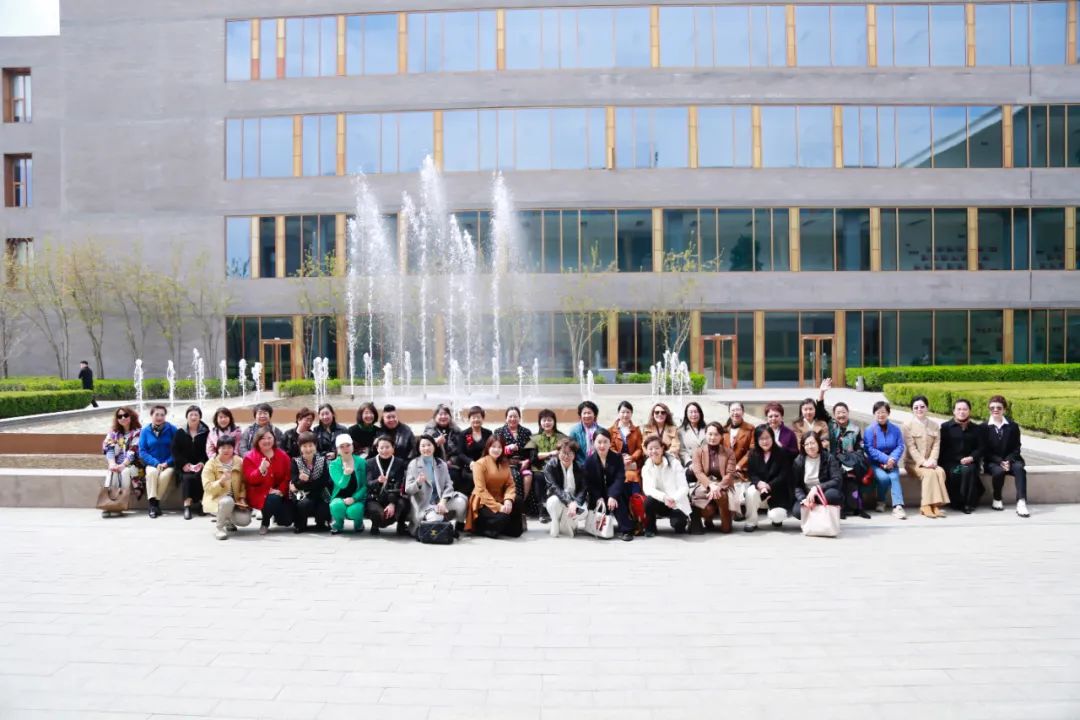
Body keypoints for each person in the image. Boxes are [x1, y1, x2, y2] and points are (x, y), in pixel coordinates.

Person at [814, 380, 870, 519]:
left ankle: (858, 508)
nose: (841, 415)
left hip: (849, 461)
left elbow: (860, 448)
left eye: (843, 412)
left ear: (848, 413)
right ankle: (840, 508)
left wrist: (852, 461)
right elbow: (820, 410)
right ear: (834, 415)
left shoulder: (855, 429)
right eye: (838, 413)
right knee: (837, 478)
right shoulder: (831, 425)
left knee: (852, 478)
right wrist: (822, 392)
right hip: (833, 461)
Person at [405, 434, 468, 535]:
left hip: (440, 502)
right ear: (418, 448)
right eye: (423, 446)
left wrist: (443, 502)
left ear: (434, 446)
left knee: (461, 502)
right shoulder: (413, 464)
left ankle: (458, 526)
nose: (426, 448)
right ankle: (438, 527)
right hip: (424, 505)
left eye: (429, 445)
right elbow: (408, 490)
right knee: (436, 518)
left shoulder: (441, 463)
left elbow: (448, 485)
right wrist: (418, 483)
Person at [902, 395, 950, 519]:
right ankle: (925, 505)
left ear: (927, 408)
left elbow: (936, 445)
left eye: (922, 406)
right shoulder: (907, 425)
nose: (919, 409)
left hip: (930, 461)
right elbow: (911, 448)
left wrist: (933, 460)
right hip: (913, 463)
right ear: (912, 410)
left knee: (940, 471)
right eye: (916, 407)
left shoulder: (934, 425)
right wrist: (923, 462)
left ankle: (935, 505)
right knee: (929, 474)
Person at [466, 435, 524, 539]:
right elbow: (481, 489)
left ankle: (502, 527)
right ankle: (480, 529)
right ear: (488, 447)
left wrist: (508, 499)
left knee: (517, 503)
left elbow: (510, 484)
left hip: (500, 497)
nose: (496, 450)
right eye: (493, 446)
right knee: (503, 517)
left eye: (499, 447)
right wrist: (499, 507)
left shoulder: (504, 463)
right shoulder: (479, 464)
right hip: (483, 502)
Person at [983, 395, 1029, 518]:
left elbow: (1017, 447)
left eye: (999, 408)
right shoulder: (983, 427)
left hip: (1012, 460)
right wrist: (1000, 461)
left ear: (1004, 409)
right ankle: (997, 498)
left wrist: (1008, 460)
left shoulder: (1013, 426)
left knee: (1020, 469)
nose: (995, 410)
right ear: (989, 409)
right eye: (992, 408)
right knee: (998, 471)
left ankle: (1021, 502)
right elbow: (984, 450)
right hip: (992, 461)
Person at [583, 428, 634, 542]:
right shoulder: (589, 461)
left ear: (610, 443)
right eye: (599, 442)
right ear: (594, 443)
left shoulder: (617, 458)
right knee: (600, 514)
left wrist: (612, 495)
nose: (602, 445)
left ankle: (626, 530)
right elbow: (589, 483)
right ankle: (598, 529)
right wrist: (598, 497)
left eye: (605, 442)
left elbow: (620, 478)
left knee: (617, 501)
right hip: (597, 494)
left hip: (613, 492)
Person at [242, 426, 294, 535]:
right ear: (257, 440)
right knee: (272, 499)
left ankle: (273, 513)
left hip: (279, 493)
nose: (267, 441)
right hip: (259, 493)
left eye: (269, 438)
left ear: (274, 439)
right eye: (263, 438)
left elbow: (288, 476)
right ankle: (265, 522)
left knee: (286, 521)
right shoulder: (249, 457)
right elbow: (250, 480)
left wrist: (281, 490)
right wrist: (260, 470)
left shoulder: (282, 455)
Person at [939, 398, 985, 514]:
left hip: (970, 461)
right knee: (956, 472)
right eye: (959, 409)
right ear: (954, 411)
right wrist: (959, 459)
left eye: (965, 409)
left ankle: (968, 503)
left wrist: (971, 457)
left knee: (968, 470)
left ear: (969, 411)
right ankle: (956, 502)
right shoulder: (946, 427)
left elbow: (981, 448)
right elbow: (943, 448)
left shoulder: (976, 428)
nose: (962, 412)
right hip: (951, 461)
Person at [745, 424, 795, 531]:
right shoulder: (753, 453)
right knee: (750, 492)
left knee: (777, 517)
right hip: (760, 489)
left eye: (767, 438)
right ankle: (751, 521)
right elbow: (751, 473)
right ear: (757, 440)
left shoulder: (781, 453)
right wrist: (759, 483)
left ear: (772, 437)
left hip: (777, 491)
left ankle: (774, 515)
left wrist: (768, 486)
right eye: (761, 438)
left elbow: (784, 474)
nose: (765, 441)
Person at [690, 421, 736, 534]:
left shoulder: (729, 452)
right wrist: (710, 485)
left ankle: (726, 524)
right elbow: (698, 472)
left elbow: (730, 474)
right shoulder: (698, 452)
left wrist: (718, 487)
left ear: (721, 436)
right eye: (710, 434)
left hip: (723, 485)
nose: (712, 437)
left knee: (722, 495)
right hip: (704, 485)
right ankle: (708, 519)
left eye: (716, 434)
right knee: (707, 509)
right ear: (705, 434)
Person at [201, 435, 250, 539]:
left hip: (235, 501)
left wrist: (242, 497)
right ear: (217, 448)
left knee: (245, 520)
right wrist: (221, 481)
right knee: (227, 501)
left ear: (233, 448)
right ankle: (219, 528)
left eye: (229, 447)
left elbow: (243, 482)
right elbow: (207, 488)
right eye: (223, 447)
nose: (226, 450)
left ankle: (228, 520)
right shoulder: (211, 464)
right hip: (217, 500)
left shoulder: (239, 461)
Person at [863, 401, 907, 519]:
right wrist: (886, 459)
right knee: (883, 478)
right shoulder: (869, 430)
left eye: (883, 412)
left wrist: (892, 459)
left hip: (892, 463)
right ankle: (881, 500)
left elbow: (900, 446)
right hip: (876, 463)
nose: (881, 415)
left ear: (888, 413)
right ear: (874, 414)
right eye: (878, 412)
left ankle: (898, 506)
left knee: (894, 477)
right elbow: (868, 448)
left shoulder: (895, 429)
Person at [641, 434, 691, 536]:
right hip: (661, 501)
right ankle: (650, 528)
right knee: (648, 501)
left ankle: (683, 521)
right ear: (646, 450)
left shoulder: (674, 463)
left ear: (662, 448)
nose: (654, 451)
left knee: (678, 525)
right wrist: (664, 497)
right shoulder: (646, 467)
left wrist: (673, 498)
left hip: (676, 502)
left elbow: (684, 487)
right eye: (650, 449)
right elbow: (648, 489)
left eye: (656, 448)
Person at [100, 406, 144, 518]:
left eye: (125, 415)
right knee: (112, 472)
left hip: (133, 466)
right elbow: (108, 448)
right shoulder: (114, 433)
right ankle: (108, 505)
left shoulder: (138, 432)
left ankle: (119, 506)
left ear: (131, 416)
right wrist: (112, 464)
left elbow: (133, 451)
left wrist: (123, 465)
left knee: (124, 472)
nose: (123, 418)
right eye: (119, 416)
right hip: (116, 464)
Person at [526, 408, 567, 524]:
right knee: (539, 477)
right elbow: (533, 458)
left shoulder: (562, 437)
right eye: (544, 420)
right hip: (540, 468)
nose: (546, 423)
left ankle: (558, 510)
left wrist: (546, 455)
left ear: (554, 421)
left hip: (557, 467)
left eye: (549, 420)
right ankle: (543, 510)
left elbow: (566, 453)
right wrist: (550, 453)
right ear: (540, 423)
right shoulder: (535, 438)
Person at [495, 406, 537, 518]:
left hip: (523, 463)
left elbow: (532, 450)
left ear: (519, 418)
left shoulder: (526, 432)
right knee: (515, 476)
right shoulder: (499, 432)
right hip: (506, 463)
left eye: (515, 416)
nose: (513, 419)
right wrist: (508, 448)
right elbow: (495, 450)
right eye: (510, 416)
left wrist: (527, 461)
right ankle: (514, 505)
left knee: (528, 476)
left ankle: (522, 503)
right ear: (506, 418)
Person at [542, 438, 587, 538]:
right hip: (557, 498)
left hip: (574, 500)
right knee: (553, 502)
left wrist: (575, 502)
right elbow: (553, 487)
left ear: (574, 455)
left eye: (570, 453)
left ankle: (564, 523)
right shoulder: (550, 466)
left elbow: (583, 489)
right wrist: (569, 502)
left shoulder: (580, 467)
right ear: (558, 452)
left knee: (583, 511)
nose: (566, 456)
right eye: (563, 452)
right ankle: (557, 522)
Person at [170, 404, 209, 520]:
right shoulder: (180, 432)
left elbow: (208, 450)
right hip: (184, 466)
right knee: (187, 477)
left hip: (200, 464)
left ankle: (202, 504)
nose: (193, 417)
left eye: (196, 415)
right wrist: (183, 464)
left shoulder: (205, 432)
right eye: (191, 415)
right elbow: (175, 450)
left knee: (200, 475)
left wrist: (202, 463)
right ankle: (187, 505)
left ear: (200, 417)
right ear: (187, 417)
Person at [792, 432, 844, 517]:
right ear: (803, 446)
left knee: (833, 495)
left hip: (824, 493)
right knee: (798, 512)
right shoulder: (798, 461)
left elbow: (837, 479)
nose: (810, 446)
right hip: (807, 495)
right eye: (806, 444)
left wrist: (817, 488)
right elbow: (796, 485)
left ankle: (821, 511)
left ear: (818, 443)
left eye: (812, 443)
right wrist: (803, 499)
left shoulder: (829, 458)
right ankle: (816, 512)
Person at [365, 434, 408, 536]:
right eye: (381, 447)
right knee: (378, 514)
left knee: (404, 503)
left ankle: (401, 524)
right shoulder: (369, 462)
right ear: (377, 448)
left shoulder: (399, 463)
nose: (384, 450)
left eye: (387, 447)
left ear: (393, 448)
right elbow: (368, 484)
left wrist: (392, 503)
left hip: (392, 497)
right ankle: (375, 524)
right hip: (375, 498)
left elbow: (399, 484)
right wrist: (378, 481)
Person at [139, 404, 176, 519]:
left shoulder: (172, 429)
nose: (159, 417)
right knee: (151, 473)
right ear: (151, 415)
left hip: (168, 464)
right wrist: (155, 463)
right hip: (152, 464)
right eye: (157, 414)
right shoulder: (145, 431)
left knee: (165, 476)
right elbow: (142, 451)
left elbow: (178, 449)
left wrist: (167, 462)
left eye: (162, 415)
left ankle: (155, 504)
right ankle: (153, 505)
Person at [290, 431, 331, 533]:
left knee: (324, 506)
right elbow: (295, 483)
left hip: (320, 493)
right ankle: (300, 524)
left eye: (310, 445)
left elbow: (325, 481)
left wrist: (306, 482)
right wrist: (301, 481)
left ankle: (321, 523)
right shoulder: (295, 461)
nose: (308, 449)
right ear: (300, 447)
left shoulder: (322, 460)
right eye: (304, 446)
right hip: (303, 494)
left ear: (315, 446)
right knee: (303, 504)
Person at [448, 405, 491, 496]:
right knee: (470, 480)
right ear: (469, 419)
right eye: (473, 417)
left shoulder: (488, 433)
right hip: (469, 467)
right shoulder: (464, 434)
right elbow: (460, 453)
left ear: (482, 418)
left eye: (478, 417)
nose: (476, 420)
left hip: (485, 466)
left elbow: (490, 451)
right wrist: (470, 462)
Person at [328, 434, 367, 534]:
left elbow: (365, 485)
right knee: (336, 506)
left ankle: (359, 524)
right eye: (342, 446)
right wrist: (346, 474)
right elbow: (342, 485)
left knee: (355, 510)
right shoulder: (333, 464)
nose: (346, 449)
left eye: (348, 445)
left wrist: (354, 498)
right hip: (339, 496)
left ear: (352, 446)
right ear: (337, 449)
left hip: (356, 497)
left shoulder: (361, 462)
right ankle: (338, 524)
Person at [567, 400, 601, 466]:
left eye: (589, 413)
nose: (587, 415)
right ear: (580, 415)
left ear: (594, 414)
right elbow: (570, 449)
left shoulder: (601, 430)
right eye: (584, 413)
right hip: (580, 465)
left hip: (598, 465)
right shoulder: (574, 431)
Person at [677, 402, 707, 469]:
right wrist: (689, 463)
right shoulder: (680, 431)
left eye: (696, 412)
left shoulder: (707, 428)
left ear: (700, 413)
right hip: (691, 464)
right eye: (691, 412)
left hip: (706, 462)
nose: (693, 414)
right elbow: (682, 451)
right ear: (686, 414)